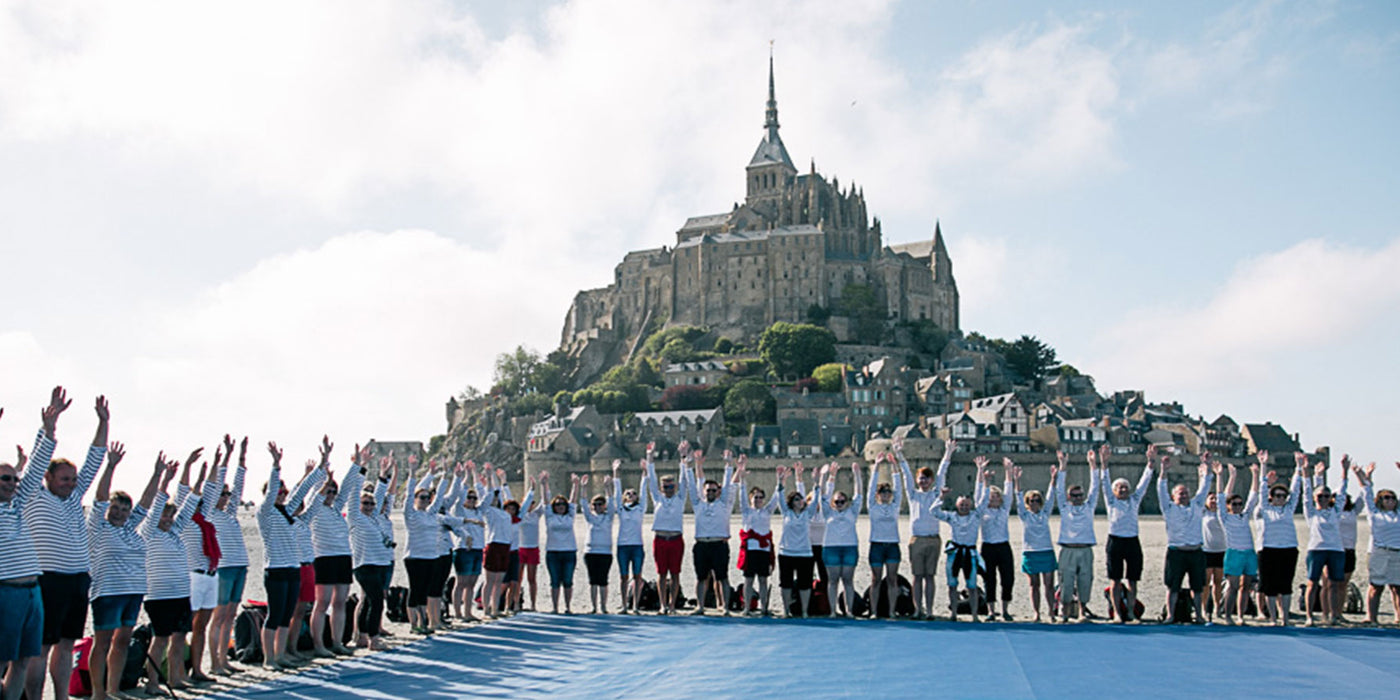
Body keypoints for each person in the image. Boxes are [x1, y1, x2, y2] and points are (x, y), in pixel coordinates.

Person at [23, 389, 106, 700]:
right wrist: (50, 425)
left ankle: (61, 696)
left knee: (68, 643)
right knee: (41, 647)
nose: (71, 484)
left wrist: (103, 423)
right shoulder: (33, 495)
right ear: (49, 478)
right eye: (64, 479)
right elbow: (36, 462)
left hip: (77, 579)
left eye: (72, 479)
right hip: (49, 579)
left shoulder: (74, 499)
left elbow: (94, 460)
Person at [87, 443, 162, 700]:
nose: (119, 512)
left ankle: (113, 688)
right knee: (103, 642)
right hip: (107, 592)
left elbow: (146, 502)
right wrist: (110, 466)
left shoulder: (131, 529)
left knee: (122, 643)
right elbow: (98, 499)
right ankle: (98, 693)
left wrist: (158, 474)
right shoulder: (98, 528)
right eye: (115, 508)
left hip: (133, 592)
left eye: (123, 508)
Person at [1, 400, 60, 700]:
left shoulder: (18, 505)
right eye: (5, 478)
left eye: (14, 478)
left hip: (32, 591)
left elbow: (36, 467)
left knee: (23, 659)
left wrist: (48, 430)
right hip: (6, 592)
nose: (12, 483)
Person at [257, 440, 326, 669]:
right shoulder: (265, 512)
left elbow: (302, 491)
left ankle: (281, 654)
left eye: (283, 492)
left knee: (286, 615)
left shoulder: (287, 512)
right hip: (275, 569)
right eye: (277, 492)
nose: (281, 495)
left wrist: (322, 466)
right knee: (274, 615)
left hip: (292, 568)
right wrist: (276, 465)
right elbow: (271, 497)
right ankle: (269, 659)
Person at [140, 455, 202, 694]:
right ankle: (153, 682)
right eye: (163, 516)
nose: (166, 520)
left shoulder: (175, 531)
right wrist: (165, 479)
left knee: (179, 638)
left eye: (169, 516)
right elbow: (155, 507)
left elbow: (188, 506)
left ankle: (176, 677)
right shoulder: (148, 532)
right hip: (159, 595)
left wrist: (197, 478)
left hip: (181, 593)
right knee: (160, 639)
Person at [306, 445, 368, 657]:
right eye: (328, 491)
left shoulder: (335, 507)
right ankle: (319, 645)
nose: (331, 494)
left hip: (343, 556)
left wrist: (357, 465)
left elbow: (349, 487)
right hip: (324, 558)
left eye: (333, 491)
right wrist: (324, 462)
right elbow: (313, 492)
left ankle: (337, 641)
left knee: (340, 601)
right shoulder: (314, 508)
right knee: (321, 603)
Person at [204, 436, 250, 677]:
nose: (225, 496)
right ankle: (214, 662)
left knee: (230, 615)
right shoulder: (210, 512)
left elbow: (239, 485)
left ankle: (223, 658)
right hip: (223, 568)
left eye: (226, 494)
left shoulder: (230, 513)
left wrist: (242, 459)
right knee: (219, 615)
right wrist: (226, 457)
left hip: (240, 565)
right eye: (222, 493)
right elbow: (213, 488)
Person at [1158, 451, 1214, 624]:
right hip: (1176, 552)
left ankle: (1198, 615)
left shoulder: (1197, 505)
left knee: (1197, 587)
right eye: (1180, 494)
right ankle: (1170, 615)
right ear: (1173, 496)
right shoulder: (1168, 508)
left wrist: (1208, 466)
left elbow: (1205, 486)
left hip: (1196, 551)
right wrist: (1163, 470)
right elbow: (1160, 488)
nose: (1183, 496)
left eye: (1185, 493)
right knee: (1172, 587)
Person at [1098, 443, 1151, 623]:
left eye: (1125, 487)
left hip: (1132, 541)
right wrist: (1104, 464)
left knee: (1133, 580)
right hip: (1115, 542)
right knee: (1115, 580)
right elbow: (1104, 483)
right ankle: (1117, 614)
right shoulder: (1111, 501)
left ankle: (1129, 611)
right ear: (1114, 491)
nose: (1123, 490)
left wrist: (1150, 464)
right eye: (1119, 487)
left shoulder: (1134, 501)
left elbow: (1143, 484)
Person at [181, 447, 221, 684]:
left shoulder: (204, 521)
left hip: (211, 574)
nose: (197, 505)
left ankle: (197, 669)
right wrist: (188, 467)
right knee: (185, 627)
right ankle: (179, 670)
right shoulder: (184, 520)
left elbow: (212, 489)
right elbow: (185, 490)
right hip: (194, 576)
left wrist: (216, 465)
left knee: (201, 627)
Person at [348, 455, 395, 650]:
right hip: (364, 565)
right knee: (376, 601)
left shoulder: (375, 517)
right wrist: (361, 468)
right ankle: (374, 639)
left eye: (371, 504)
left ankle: (362, 636)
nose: (369, 506)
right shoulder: (355, 518)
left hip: (381, 563)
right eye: (365, 503)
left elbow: (381, 493)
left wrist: (383, 475)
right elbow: (352, 494)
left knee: (369, 600)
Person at [899, 438, 950, 619]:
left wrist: (948, 453)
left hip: (933, 539)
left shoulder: (936, 494)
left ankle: (929, 610)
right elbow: (905, 475)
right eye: (921, 478)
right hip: (917, 539)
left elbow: (943, 472)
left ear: (931, 481)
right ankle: (917, 609)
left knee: (930, 576)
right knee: (917, 576)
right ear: (918, 480)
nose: (924, 481)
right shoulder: (913, 495)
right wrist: (899, 454)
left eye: (927, 478)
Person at [1253, 450, 1303, 626]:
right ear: (1272, 497)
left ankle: (1286, 618)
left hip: (1288, 549)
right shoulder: (1265, 509)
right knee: (1270, 587)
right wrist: (1263, 466)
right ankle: (1273, 618)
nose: (1281, 498)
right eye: (1277, 495)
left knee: (1286, 586)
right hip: (1268, 550)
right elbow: (1261, 491)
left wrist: (1298, 467)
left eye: (1283, 496)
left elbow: (1296, 491)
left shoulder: (1288, 509)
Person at [402, 457, 451, 634]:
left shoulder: (431, 514)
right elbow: (408, 494)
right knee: (415, 590)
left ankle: (424, 621)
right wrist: (413, 473)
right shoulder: (410, 514)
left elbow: (438, 499)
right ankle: (414, 624)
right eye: (421, 497)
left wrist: (445, 474)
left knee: (424, 591)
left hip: (431, 557)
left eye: (426, 497)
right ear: (415, 499)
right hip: (414, 557)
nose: (424, 500)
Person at [1053, 448, 1101, 623]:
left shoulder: (1089, 507)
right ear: (1068, 496)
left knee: (1085, 582)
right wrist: (1062, 466)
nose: (1078, 497)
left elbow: (1095, 487)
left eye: (1080, 495)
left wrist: (1093, 465)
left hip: (1086, 549)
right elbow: (1059, 489)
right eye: (1074, 495)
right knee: (1066, 583)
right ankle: (1064, 613)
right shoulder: (1065, 508)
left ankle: (1082, 612)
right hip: (1067, 549)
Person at [1352, 461, 1400, 624]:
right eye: (1386, 498)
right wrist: (1363, 476)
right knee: (1376, 586)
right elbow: (1366, 493)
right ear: (1380, 500)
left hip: (1397, 552)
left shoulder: (1398, 514)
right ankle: (1371, 617)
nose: (1390, 500)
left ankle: (1398, 617)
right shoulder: (1374, 513)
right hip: (1380, 551)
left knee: (1397, 587)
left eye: (1393, 498)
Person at [1301, 454, 1347, 626]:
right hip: (1316, 549)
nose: (1323, 498)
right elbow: (1306, 493)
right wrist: (1307, 472)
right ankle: (1309, 616)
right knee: (1312, 583)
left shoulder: (1335, 512)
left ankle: (1333, 615)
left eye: (1326, 496)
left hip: (1336, 550)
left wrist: (1344, 470)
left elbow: (1342, 492)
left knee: (1335, 584)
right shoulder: (1311, 513)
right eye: (1320, 496)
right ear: (1315, 498)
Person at [928, 480, 984, 622]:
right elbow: (933, 511)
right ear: (957, 505)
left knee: (972, 586)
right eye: (961, 505)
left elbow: (983, 500)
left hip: (970, 554)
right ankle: (953, 614)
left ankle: (975, 615)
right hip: (954, 553)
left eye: (966, 505)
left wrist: (984, 480)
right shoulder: (951, 516)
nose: (964, 507)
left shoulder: (976, 516)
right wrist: (941, 497)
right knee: (952, 584)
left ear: (970, 505)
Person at [647, 443, 692, 615]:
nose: (669, 489)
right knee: (661, 574)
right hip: (659, 539)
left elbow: (684, 480)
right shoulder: (657, 498)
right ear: (661, 488)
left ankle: (673, 605)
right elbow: (651, 478)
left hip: (675, 540)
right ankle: (662, 604)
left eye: (671, 486)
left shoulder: (680, 498)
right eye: (665, 486)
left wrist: (683, 458)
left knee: (675, 574)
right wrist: (650, 457)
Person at [1213, 461, 1259, 625]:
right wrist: (1222, 476)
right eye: (1234, 504)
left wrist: (1255, 474)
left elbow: (1253, 496)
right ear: (1229, 506)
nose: (1238, 506)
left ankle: (1241, 616)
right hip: (1234, 553)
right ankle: (1227, 615)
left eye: (1240, 504)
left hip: (1249, 553)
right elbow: (1220, 497)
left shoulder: (1245, 515)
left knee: (1246, 586)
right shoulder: (1225, 517)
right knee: (1232, 587)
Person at [690, 450, 736, 616]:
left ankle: (725, 607)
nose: (710, 493)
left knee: (722, 577)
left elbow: (728, 484)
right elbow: (694, 482)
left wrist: (728, 464)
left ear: (718, 491)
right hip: (701, 544)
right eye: (707, 490)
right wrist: (695, 465)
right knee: (701, 577)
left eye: (713, 490)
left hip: (719, 545)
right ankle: (700, 606)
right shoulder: (698, 504)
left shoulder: (723, 504)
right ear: (703, 492)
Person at [1011, 459, 1056, 622]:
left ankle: (1051, 611)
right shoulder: (1024, 515)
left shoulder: (1045, 514)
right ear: (1027, 503)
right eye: (1032, 500)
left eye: (1037, 500)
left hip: (1046, 551)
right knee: (1034, 585)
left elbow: (1051, 496)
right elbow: (1017, 497)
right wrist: (1017, 481)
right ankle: (1037, 612)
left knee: (1049, 585)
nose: (1035, 503)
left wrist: (1053, 479)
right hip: (1030, 552)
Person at [817, 462, 862, 617]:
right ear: (833, 503)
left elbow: (859, 494)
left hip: (849, 547)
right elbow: (823, 495)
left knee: (848, 581)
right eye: (837, 501)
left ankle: (849, 610)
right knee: (833, 581)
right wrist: (827, 476)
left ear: (847, 502)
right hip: (831, 548)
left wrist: (857, 474)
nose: (839, 503)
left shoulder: (853, 512)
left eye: (842, 501)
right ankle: (832, 611)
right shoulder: (828, 513)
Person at [735, 456, 779, 616]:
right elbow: (741, 496)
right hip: (750, 550)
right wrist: (742, 478)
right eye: (756, 497)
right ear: (751, 499)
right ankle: (746, 607)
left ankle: (764, 608)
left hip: (764, 550)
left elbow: (775, 499)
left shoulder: (767, 511)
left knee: (763, 580)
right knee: (748, 580)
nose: (759, 500)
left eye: (761, 497)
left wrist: (780, 482)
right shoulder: (747, 511)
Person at [478, 468, 522, 618]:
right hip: (494, 545)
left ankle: (495, 608)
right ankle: (485, 609)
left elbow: (504, 495)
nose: (496, 499)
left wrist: (502, 479)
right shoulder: (488, 511)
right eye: (494, 497)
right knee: (490, 580)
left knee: (499, 581)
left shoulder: (505, 513)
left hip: (506, 547)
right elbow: (489, 492)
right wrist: (489, 478)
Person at [976, 456, 1015, 621]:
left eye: (996, 497)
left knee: (1008, 579)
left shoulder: (1004, 509)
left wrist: (1008, 471)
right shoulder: (982, 510)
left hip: (1003, 547)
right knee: (989, 580)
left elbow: (1009, 490)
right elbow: (978, 493)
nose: (994, 499)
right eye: (991, 497)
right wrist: (980, 472)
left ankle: (1005, 610)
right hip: (988, 548)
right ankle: (991, 611)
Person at [866, 452, 904, 618]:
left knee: (892, 579)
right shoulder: (872, 507)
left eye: (888, 492)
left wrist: (894, 466)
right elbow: (870, 488)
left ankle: (891, 610)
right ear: (877, 495)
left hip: (892, 545)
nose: (886, 494)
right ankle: (874, 611)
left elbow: (900, 488)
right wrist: (876, 466)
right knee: (875, 580)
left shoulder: (895, 506)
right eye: (882, 492)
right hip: (876, 545)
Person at [775, 462, 816, 618]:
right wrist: (780, 481)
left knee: (804, 584)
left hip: (805, 553)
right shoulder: (786, 513)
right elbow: (779, 495)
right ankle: (786, 610)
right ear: (791, 503)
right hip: (786, 552)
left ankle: (804, 610)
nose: (800, 501)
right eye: (797, 499)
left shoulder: (808, 514)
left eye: (802, 499)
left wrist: (816, 482)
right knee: (785, 583)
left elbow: (814, 495)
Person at [448, 462, 487, 622]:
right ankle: (457, 612)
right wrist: (465, 476)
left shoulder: (478, 511)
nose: (471, 500)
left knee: (471, 582)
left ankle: (467, 612)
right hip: (463, 549)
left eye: (473, 498)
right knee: (461, 582)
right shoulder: (459, 509)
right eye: (469, 498)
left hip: (478, 548)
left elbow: (487, 496)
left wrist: (476, 473)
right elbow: (459, 495)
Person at [614, 456, 649, 614]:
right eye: (628, 493)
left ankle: (635, 605)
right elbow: (616, 494)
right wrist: (616, 473)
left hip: (636, 545)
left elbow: (644, 490)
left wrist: (645, 473)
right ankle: (624, 605)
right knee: (623, 577)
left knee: (637, 576)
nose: (630, 495)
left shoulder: (640, 509)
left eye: (633, 493)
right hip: (622, 546)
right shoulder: (621, 509)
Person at [542, 474, 581, 614]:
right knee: (554, 581)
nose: (560, 506)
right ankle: (554, 607)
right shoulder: (550, 516)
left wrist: (576, 485)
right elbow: (546, 502)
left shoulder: (570, 516)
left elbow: (573, 501)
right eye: (558, 504)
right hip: (553, 552)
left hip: (569, 551)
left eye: (562, 504)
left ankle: (568, 607)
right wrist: (544, 485)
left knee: (568, 581)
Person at [580, 473, 616, 614]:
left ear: (604, 506)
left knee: (603, 581)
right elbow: (583, 503)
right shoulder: (590, 518)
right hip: (590, 552)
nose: (597, 506)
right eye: (595, 504)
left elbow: (612, 502)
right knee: (593, 581)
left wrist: (608, 487)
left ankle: (603, 606)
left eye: (600, 504)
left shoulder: (609, 517)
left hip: (605, 552)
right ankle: (594, 607)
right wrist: (583, 487)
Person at [1201, 460, 1228, 622]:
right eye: (1211, 499)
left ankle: (1218, 607)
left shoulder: (1223, 513)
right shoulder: (1203, 512)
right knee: (1205, 584)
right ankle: (1204, 608)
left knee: (1218, 582)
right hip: (1206, 551)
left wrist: (1220, 476)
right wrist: (1204, 475)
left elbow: (1221, 493)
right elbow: (1202, 493)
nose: (1214, 501)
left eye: (1215, 500)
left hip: (1221, 551)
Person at [517, 469, 544, 612]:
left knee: (532, 579)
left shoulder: (536, 514)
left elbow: (545, 502)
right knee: (518, 579)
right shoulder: (519, 515)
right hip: (521, 548)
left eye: (532, 503)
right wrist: (531, 489)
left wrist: (543, 485)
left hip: (533, 548)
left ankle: (533, 604)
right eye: (528, 502)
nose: (530, 505)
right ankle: (515, 604)